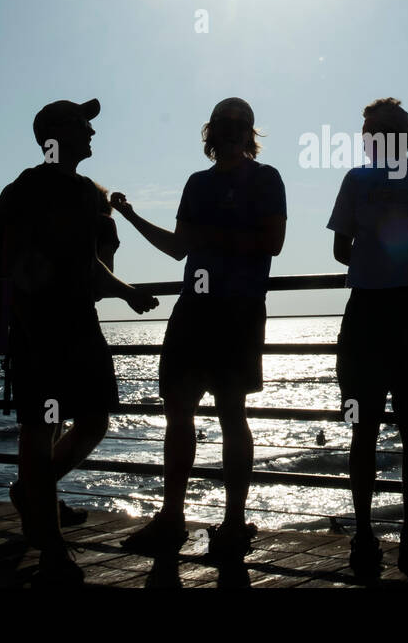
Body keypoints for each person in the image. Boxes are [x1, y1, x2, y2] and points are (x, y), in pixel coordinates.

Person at [0, 98, 158, 584]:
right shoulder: (22, 192)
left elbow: (89, 265)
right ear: (57, 134)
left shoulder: (82, 194)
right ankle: (50, 544)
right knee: (41, 432)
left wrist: (124, 292)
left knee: (94, 421)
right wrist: (17, 326)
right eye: (84, 126)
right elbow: (7, 266)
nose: (91, 133)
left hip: (78, 325)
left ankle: (32, 495)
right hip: (40, 329)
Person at [112, 97, 286, 560]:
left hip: (238, 310)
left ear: (249, 133)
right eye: (223, 124)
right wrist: (130, 217)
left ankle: (231, 523)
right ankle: (172, 517)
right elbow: (176, 249)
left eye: (238, 124)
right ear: (211, 131)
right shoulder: (196, 183)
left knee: (232, 413)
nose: (229, 131)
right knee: (178, 411)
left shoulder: (267, 178)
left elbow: (274, 242)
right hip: (195, 307)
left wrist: (210, 237)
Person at [327, 97, 408, 579]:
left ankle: (364, 535)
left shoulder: (356, 181)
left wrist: (369, 252)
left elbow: (341, 249)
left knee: (363, 429)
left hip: (367, 312)